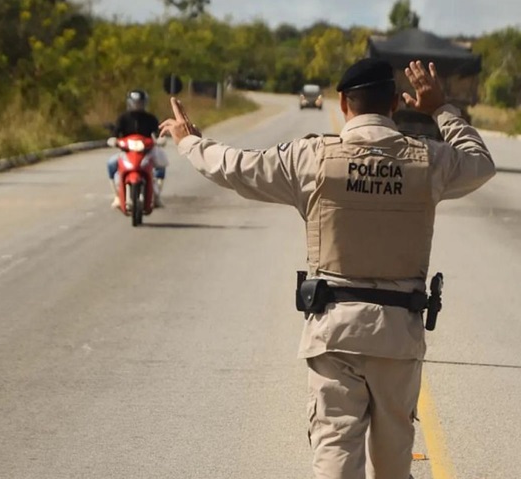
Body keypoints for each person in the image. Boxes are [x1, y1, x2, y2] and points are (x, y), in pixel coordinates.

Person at [159, 59, 495, 479]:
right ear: (394, 103)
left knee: (335, 456)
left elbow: (235, 167)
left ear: (342, 103)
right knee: (393, 464)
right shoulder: (427, 160)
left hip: (334, 333)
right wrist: (442, 109)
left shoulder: (312, 157)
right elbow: (480, 162)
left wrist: (190, 142)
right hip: (398, 336)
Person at [107, 89, 169, 208]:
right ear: (129, 102)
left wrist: (160, 139)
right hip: (127, 152)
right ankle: (117, 196)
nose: (137, 105)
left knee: (161, 163)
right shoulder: (123, 118)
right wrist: (113, 139)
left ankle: (156, 196)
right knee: (111, 164)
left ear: (145, 103)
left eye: (140, 102)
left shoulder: (150, 118)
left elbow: (157, 132)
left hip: (147, 151)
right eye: (135, 102)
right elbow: (115, 132)